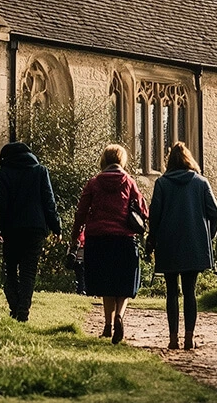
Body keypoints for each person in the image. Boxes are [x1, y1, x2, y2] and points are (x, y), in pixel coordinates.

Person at [71, 144, 148, 344]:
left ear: (104, 161)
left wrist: (75, 235)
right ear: (122, 161)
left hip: (98, 239)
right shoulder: (129, 182)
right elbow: (143, 210)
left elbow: (81, 212)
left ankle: (107, 325)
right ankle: (120, 317)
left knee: (106, 283)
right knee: (123, 283)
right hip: (124, 238)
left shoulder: (93, 183)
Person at [147, 141, 217, 350]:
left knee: (171, 291)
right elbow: (216, 214)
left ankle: (172, 338)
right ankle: (189, 337)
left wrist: (153, 238)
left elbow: (155, 216)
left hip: (169, 244)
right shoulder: (201, 182)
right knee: (190, 291)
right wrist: (208, 237)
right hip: (194, 244)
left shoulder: (162, 183)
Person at [0, 142, 60, 322]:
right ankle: (23, 311)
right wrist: (56, 227)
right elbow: (49, 201)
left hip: (11, 229)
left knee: (10, 270)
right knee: (28, 272)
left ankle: (15, 306)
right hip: (35, 228)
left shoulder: (3, 174)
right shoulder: (40, 171)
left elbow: (1, 205)